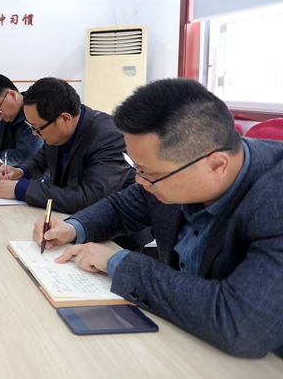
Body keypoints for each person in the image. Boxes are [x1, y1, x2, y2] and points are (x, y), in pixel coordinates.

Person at [34, 78, 283, 359]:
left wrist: (120, 263)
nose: (140, 181)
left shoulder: (275, 199)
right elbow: (121, 208)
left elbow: (241, 324)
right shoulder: (173, 170)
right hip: (180, 337)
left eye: (149, 173)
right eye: (136, 167)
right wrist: (71, 227)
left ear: (216, 166)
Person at [0, 77, 152, 250]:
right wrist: (21, 171)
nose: (34, 133)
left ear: (64, 119)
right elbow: (41, 159)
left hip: (115, 239)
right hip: (69, 224)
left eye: (37, 128)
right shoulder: (57, 130)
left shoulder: (108, 137)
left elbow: (90, 198)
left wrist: (21, 189)